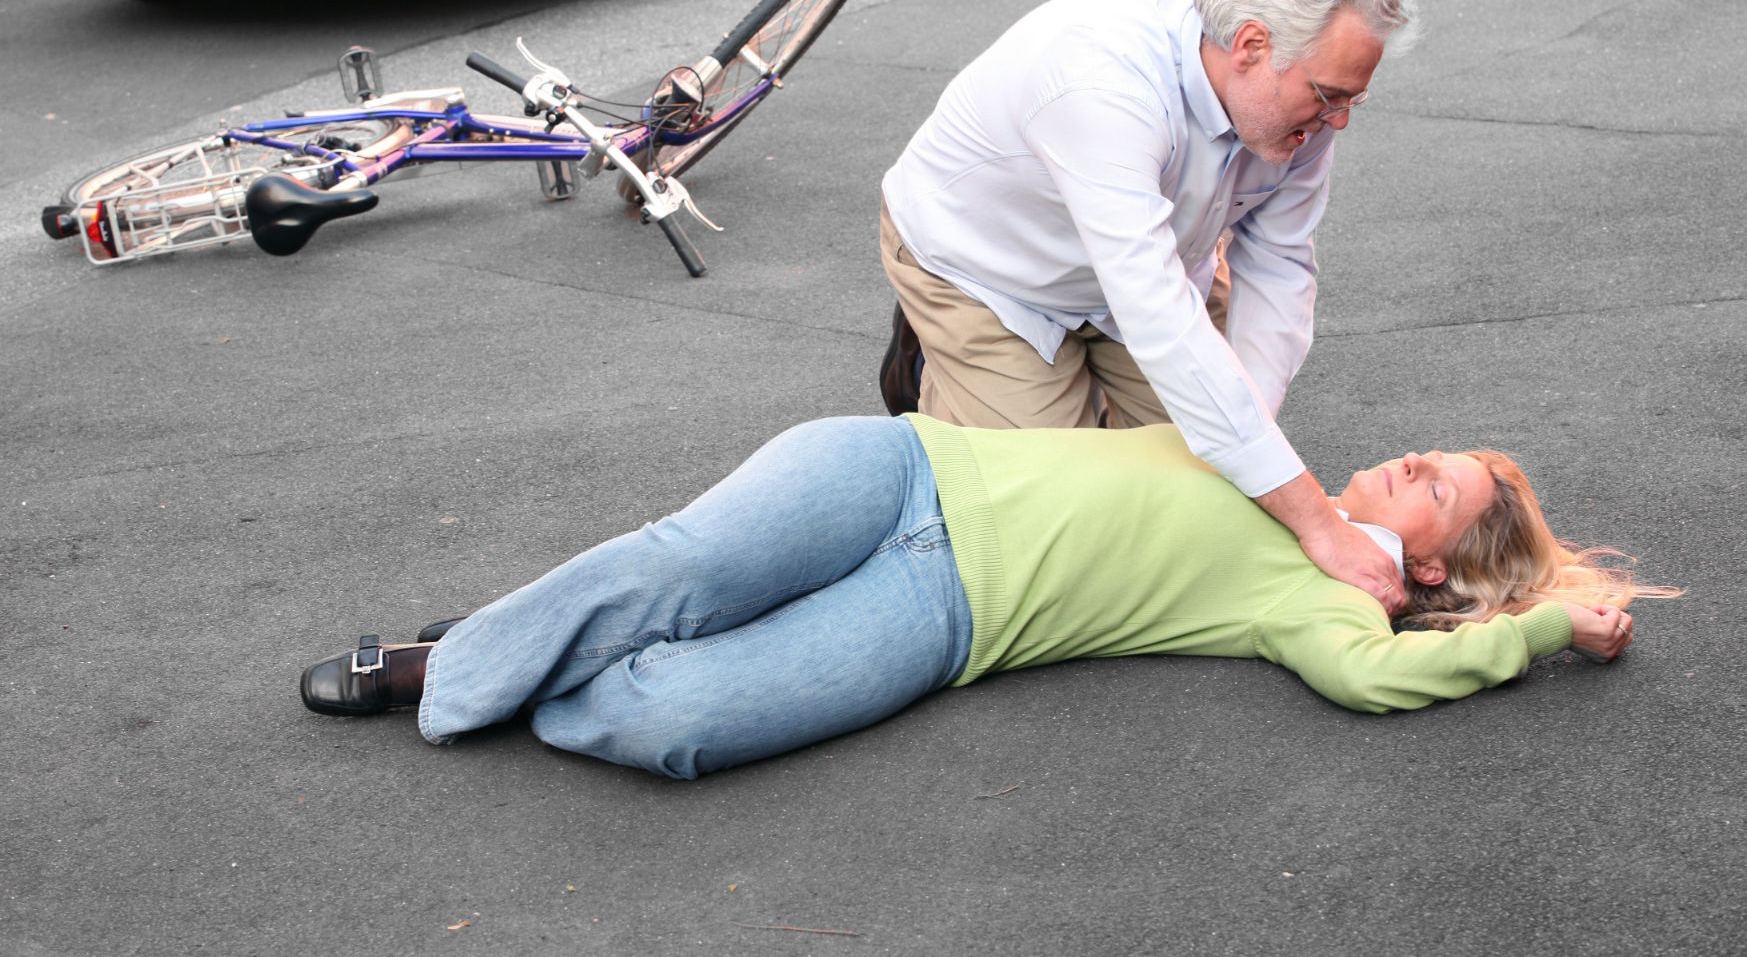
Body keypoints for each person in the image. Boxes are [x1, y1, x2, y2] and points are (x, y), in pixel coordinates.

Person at [300, 415, 1675, 781]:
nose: (1408, 458)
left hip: (950, 619)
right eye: (1427, 449)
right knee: (681, 567)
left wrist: (1546, 624)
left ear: (1432, 564)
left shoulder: (1336, 613)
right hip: (899, 470)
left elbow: (1380, 686)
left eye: (1432, 483)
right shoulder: (1274, 454)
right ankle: (451, 663)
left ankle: (531, 654)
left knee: (683, 724)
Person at [878, 0, 1417, 610]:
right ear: (1251, 45)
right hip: (987, 273)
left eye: (1352, 97)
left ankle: (1070, 399)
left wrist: (1243, 430)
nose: (1338, 120)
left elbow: (1279, 265)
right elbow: (1157, 315)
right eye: (1328, 95)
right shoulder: (1099, 81)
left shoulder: (1299, 95)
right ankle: (939, 368)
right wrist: (1315, 521)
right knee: (1050, 531)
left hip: (1157, 263)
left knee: (1208, 485)